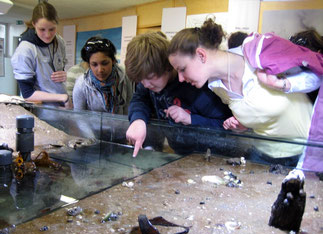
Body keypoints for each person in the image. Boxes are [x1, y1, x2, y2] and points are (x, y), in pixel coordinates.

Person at [168, 19, 317, 166]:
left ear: (201, 55)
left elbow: (318, 73)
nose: (180, 79)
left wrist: (282, 83)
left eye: (182, 69)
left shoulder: (259, 51)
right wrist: (244, 125)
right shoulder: (216, 86)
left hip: (305, 155)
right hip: (262, 155)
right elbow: (259, 112)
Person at [125, 32, 232, 157]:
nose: (146, 85)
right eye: (140, 80)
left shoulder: (196, 85)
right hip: (180, 154)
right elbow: (140, 99)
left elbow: (226, 126)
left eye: (151, 77)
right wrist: (138, 120)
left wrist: (191, 119)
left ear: (168, 66)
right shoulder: (147, 82)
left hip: (213, 155)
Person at [243, 29, 323, 171]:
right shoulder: (280, 70)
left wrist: (282, 83)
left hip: (301, 152)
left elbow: (312, 81)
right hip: (268, 147)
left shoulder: (313, 81)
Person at [11, 2, 71, 108]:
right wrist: (61, 97)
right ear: (34, 24)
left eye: (52, 29)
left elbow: (56, 71)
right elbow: (28, 94)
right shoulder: (25, 50)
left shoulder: (59, 41)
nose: (47, 35)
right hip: (42, 110)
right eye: (42, 29)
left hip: (62, 106)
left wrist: (63, 75)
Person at [73, 36, 134, 113]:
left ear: (113, 61)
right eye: (94, 64)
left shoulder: (124, 77)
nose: (100, 70)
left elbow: (128, 108)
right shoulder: (81, 84)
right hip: (92, 125)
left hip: (120, 124)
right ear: (89, 64)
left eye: (105, 63)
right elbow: (79, 116)